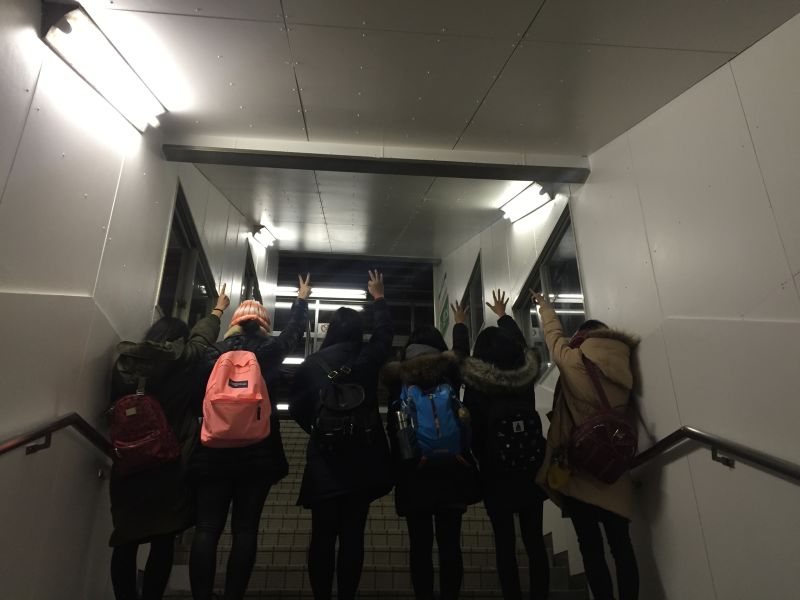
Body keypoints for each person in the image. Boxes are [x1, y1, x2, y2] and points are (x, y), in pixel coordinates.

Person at [188, 276, 311, 600]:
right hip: (258, 453)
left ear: (235, 322)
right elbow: (292, 333)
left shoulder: (212, 353)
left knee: (207, 528)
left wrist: (216, 310)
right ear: (263, 324)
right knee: (245, 529)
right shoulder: (270, 351)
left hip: (212, 451)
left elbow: (195, 398)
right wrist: (301, 299)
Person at [108, 284, 230, 600]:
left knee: (125, 539)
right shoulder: (184, 361)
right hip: (170, 460)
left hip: (128, 464)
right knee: (163, 538)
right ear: (179, 340)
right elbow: (201, 341)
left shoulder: (127, 363)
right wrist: (217, 311)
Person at [288, 270, 394, 600]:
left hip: (325, 461)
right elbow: (385, 335)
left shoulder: (312, 364)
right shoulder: (368, 357)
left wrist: (318, 428)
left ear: (331, 331)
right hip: (363, 460)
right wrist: (379, 298)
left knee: (322, 535)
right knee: (353, 536)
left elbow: (295, 408)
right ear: (358, 332)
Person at [532, 291, 639, 600]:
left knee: (591, 549)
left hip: (580, 471)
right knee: (622, 546)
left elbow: (554, 339)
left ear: (582, 338)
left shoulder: (576, 361)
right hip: (614, 472)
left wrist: (546, 308)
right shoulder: (625, 367)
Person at [457, 290, 550, 600]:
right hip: (531, 468)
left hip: (495, 474)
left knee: (505, 544)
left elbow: (473, 432)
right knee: (535, 541)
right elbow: (521, 345)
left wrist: (460, 325)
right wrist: (503, 316)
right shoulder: (524, 380)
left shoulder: (477, 386)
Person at [380, 316, 479, 600]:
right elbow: (462, 353)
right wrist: (460, 324)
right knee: (450, 546)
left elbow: (395, 429)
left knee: (419, 547)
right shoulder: (449, 373)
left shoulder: (399, 379)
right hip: (453, 471)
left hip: (414, 474)